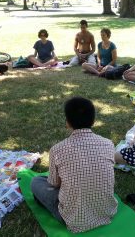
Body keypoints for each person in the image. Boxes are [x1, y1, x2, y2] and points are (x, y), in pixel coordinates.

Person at [31, 97, 118, 233]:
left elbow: (55, 184)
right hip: (107, 211)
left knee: (36, 181)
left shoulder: (57, 149)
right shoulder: (108, 143)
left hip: (73, 218)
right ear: (93, 121)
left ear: (68, 122)